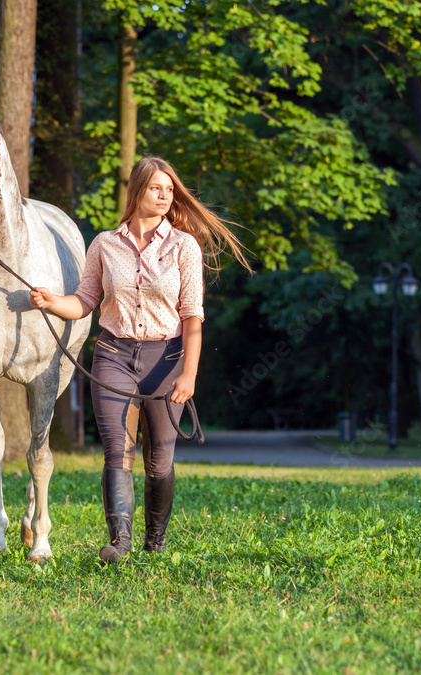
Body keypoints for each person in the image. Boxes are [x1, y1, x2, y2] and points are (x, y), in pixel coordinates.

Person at [30, 156, 254, 563]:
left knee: (159, 460)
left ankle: (155, 541)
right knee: (117, 450)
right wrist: (51, 301)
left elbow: (192, 317)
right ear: (137, 192)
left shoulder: (184, 246)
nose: (165, 195)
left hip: (166, 360)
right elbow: (84, 302)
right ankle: (120, 542)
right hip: (114, 354)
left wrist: (189, 373)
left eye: (170, 189)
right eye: (156, 188)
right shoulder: (104, 244)